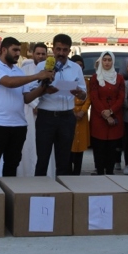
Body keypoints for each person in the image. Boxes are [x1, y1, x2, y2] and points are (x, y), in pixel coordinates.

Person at [0, 37, 54, 176]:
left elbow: (26, 98)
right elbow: (8, 82)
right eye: (14, 50)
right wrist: (37, 75)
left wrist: (43, 87)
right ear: (3, 50)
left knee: (12, 163)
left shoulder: (19, 72)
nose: (17, 53)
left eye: (19, 50)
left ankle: (9, 196)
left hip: (18, 124)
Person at [31, 35, 87, 177]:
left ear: (69, 51)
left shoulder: (75, 68)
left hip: (67, 117)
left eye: (65, 50)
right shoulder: (41, 66)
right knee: (42, 159)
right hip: (46, 117)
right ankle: (40, 195)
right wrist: (44, 89)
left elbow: (84, 94)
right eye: (58, 49)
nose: (61, 53)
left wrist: (79, 93)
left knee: (64, 161)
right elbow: (31, 90)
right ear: (53, 49)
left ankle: (62, 195)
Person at [89, 51, 125, 175]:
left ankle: (110, 173)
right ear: (101, 61)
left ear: (113, 61)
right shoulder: (95, 78)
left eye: (110, 60)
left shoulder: (119, 78)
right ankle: (99, 172)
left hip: (114, 117)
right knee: (99, 148)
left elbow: (121, 98)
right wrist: (105, 114)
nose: (107, 62)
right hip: (99, 118)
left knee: (112, 148)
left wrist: (111, 112)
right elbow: (94, 97)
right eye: (105, 60)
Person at [18, 42, 51, 177]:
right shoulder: (25, 70)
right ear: (32, 53)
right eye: (38, 53)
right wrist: (34, 104)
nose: (40, 56)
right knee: (28, 143)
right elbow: (23, 90)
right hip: (29, 111)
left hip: (46, 110)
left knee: (45, 145)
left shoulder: (51, 71)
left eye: (43, 54)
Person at [70, 56, 91, 175]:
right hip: (70, 114)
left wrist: (83, 111)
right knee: (69, 143)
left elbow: (88, 98)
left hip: (82, 117)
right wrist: (73, 111)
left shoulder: (86, 81)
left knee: (80, 145)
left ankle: (77, 172)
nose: (79, 67)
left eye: (81, 65)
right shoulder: (67, 80)